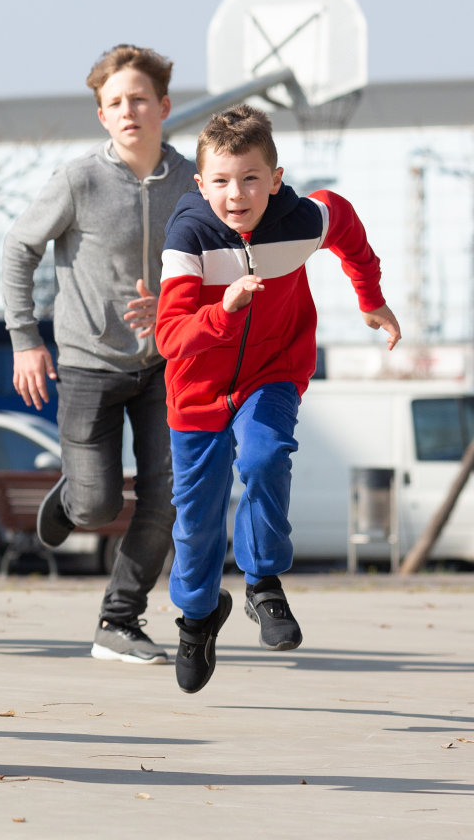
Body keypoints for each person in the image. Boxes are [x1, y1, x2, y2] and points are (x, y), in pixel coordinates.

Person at [156, 104, 398, 694]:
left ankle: (264, 584)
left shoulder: (303, 220)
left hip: (273, 372)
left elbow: (345, 225)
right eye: (220, 181)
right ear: (200, 183)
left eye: (250, 179)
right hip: (198, 394)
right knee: (197, 520)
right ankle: (196, 617)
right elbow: (170, 336)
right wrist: (223, 310)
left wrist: (370, 298)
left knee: (265, 456)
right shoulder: (187, 239)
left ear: (276, 178)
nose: (235, 194)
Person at [2, 43, 197, 666]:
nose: (129, 109)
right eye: (114, 102)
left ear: (163, 106)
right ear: (102, 116)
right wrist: (26, 340)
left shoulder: (194, 182)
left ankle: (120, 622)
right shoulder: (79, 180)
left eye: (139, 98)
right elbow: (17, 250)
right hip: (89, 364)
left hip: (168, 363)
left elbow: (220, 260)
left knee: (169, 493)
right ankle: (70, 497)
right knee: (98, 505)